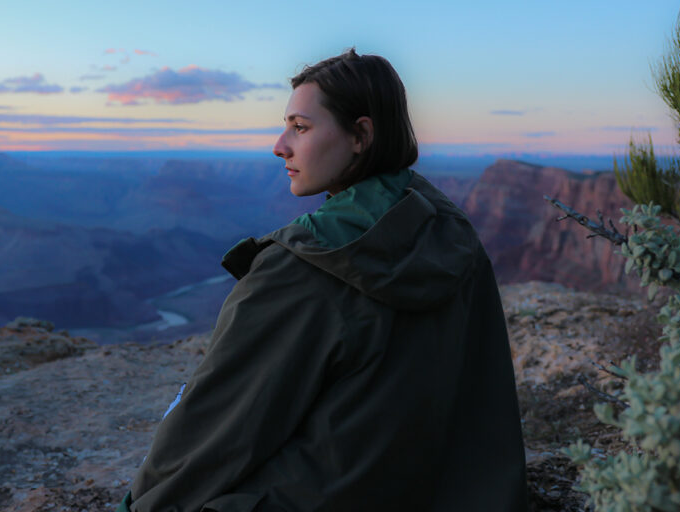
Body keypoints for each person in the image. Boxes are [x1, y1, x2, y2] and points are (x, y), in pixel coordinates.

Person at [117, 48, 528, 511]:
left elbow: (215, 432)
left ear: (360, 135)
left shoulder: (301, 265)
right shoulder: (453, 235)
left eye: (301, 127)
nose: (280, 145)